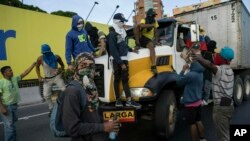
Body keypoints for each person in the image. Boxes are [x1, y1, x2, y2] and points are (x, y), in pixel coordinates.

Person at [62, 52, 120, 141]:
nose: (88, 68)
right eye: (83, 65)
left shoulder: (91, 88)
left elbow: (93, 117)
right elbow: (72, 129)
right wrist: (103, 127)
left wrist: (108, 124)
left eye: (91, 65)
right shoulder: (72, 92)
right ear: (76, 68)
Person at [193, 46, 234, 141]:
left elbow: (210, 65)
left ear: (223, 58)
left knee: (223, 137)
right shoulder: (230, 70)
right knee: (225, 132)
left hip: (221, 107)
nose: (216, 55)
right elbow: (211, 66)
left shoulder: (220, 70)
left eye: (218, 55)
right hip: (229, 105)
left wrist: (199, 57)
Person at [107, 13, 141, 108]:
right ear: (117, 21)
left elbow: (123, 45)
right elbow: (113, 50)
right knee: (117, 79)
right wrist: (121, 63)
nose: (123, 23)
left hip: (124, 59)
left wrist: (131, 49)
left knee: (125, 79)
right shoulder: (112, 34)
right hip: (117, 61)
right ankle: (118, 100)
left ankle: (129, 100)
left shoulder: (121, 32)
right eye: (122, 21)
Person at [176, 45, 206, 141]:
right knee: (198, 121)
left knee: (192, 124)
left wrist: (182, 71)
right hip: (198, 101)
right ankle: (202, 139)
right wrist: (187, 60)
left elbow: (179, 82)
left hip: (190, 104)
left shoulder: (190, 75)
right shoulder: (200, 72)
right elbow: (192, 62)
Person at [0, 62, 36, 141]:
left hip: (14, 105)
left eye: (11, 70)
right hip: (6, 106)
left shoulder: (15, 78)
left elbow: (25, 72)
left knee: (11, 125)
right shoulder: (1, 82)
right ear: (4, 73)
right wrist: (2, 108)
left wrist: (33, 65)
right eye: (9, 71)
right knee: (9, 127)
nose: (12, 71)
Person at [35, 44, 66, 115]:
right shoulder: (40, 59)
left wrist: (59, 70)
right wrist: (39, 76)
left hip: (57, 77)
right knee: (46, 95)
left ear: (50, 51)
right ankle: (51, 108)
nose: (46, 54)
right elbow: (37, 68)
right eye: (45, 53)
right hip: (47, 79)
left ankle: (66, 104)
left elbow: (62, 66)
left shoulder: (56, 57)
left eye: (47, 52)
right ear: (42, 53)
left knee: (64, 90)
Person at [135, 8, 160, 75]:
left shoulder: (155, 22)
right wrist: (151, 25)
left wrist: (157, 41)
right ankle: (137, 43)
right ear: (149, 15)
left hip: (149, 39)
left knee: (152, 46)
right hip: (142, 38)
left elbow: (156, 32)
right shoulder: (144, 20)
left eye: (154, 15)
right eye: (153, 15)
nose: (154, 17)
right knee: (137, 26)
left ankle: (153, 66)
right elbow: (141, 26)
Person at [201, 40, 217, 105]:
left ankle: (202, 99)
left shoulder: (203, 52)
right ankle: (205, 100)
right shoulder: (210, 54)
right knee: (207, 87)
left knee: (203, 87)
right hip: (208, 74)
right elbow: (212, 65)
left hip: (202, 73)